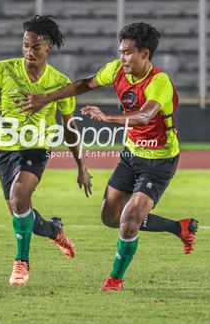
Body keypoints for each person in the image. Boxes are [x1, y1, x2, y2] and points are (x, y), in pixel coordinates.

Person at [18, 21, 197, 291]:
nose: (122, 58)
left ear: (144, 54)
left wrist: (108, 118)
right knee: (110, 217)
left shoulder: (159, 82)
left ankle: (115, 279)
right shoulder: (116, 70)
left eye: (127, 52)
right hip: (131, 155)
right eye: (120, 51)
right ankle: (178, 228)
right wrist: (47, 98)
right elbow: (83, 85)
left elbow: (145, 115)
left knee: (129, 218)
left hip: (159, 160)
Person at [0, 15, 93, 287]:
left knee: (18, 198)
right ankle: (54, 230)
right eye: (26, 45)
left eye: (36, 47)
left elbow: (69, 127)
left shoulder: (60, 83)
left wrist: (81, 166)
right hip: (5, 149)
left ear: (49, 47)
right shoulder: (2, 70)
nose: (29, 52)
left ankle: (21, 263)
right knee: (21, 212)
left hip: (37, 147)